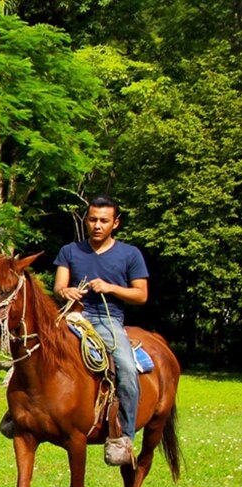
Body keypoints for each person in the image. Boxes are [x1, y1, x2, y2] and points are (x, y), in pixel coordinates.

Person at [55, 195, 149, 466]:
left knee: (127, 368)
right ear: (86, 220)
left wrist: (110, 288)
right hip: (73, 316)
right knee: (34, 347)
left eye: (104, 221)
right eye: (93, 219)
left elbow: (141, 295)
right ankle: (18, 414)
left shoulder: (130, 254)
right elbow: (59, 286)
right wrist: (66, 291)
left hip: (107, 319)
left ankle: (124, 437)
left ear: (115, 223)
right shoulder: (70, 251)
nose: (97, 225)